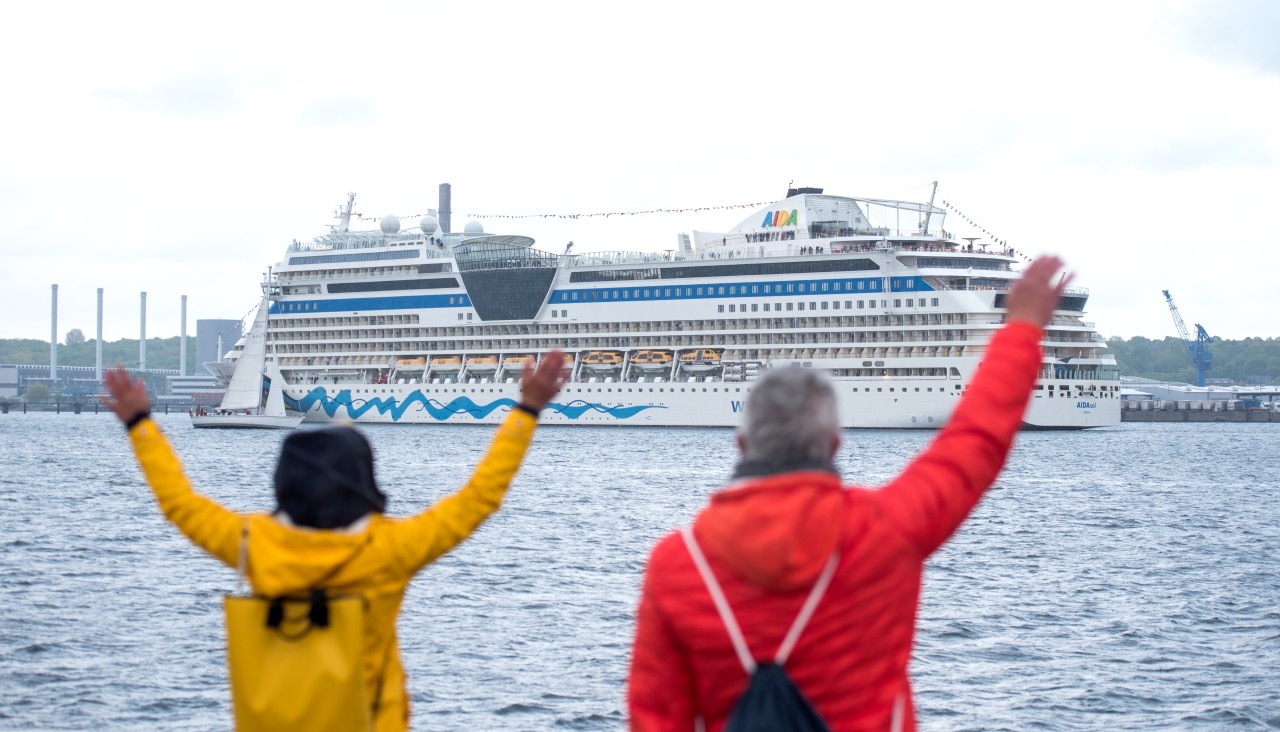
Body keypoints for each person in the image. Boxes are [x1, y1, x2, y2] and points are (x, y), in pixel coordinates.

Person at [627, 257, 1072, 731]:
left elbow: (654, 717)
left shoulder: (676, 563)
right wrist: (1022, 329)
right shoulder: (883, 531)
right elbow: (973, 443)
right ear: (835, 442)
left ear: (741, 443)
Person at [100, 351, 565, 732]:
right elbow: (478, 499)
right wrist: (526, 411)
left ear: (284, 482)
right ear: (365, 482)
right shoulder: (390, 549)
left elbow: (179, 504)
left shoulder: (253, 543)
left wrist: (140, 424)